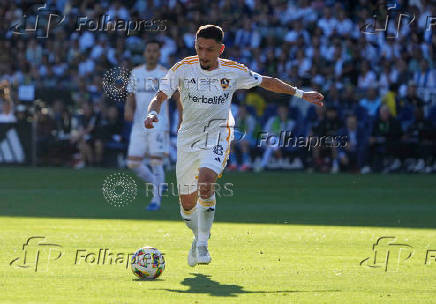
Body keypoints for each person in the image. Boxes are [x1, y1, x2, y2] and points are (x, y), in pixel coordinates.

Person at [145, 25, 324, 266]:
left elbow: (267, 82)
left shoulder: (233, 71)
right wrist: (152, 114)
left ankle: (203, 245)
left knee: (206, 182)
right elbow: (159, 96)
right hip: (188, 137)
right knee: (187, 206)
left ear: (221, 49)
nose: (204, 55)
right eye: (199, 48)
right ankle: (197, 236)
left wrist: (301, 94)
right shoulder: (182, 68)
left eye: (209, 50)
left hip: (219, 132)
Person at [125, 40, 179, 211]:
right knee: (132, 163)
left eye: (155, 51)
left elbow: (178, 98)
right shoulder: (136, 73)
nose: (151, 53)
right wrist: (128, 108)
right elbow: (131, 95)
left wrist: (181, 119)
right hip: (139, 124)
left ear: (159, 54)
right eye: (148, 50)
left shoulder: (165, 74)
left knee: (156, 161)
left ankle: (156, 200)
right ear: (144, 54)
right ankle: (158, 184)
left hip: (158, 123)